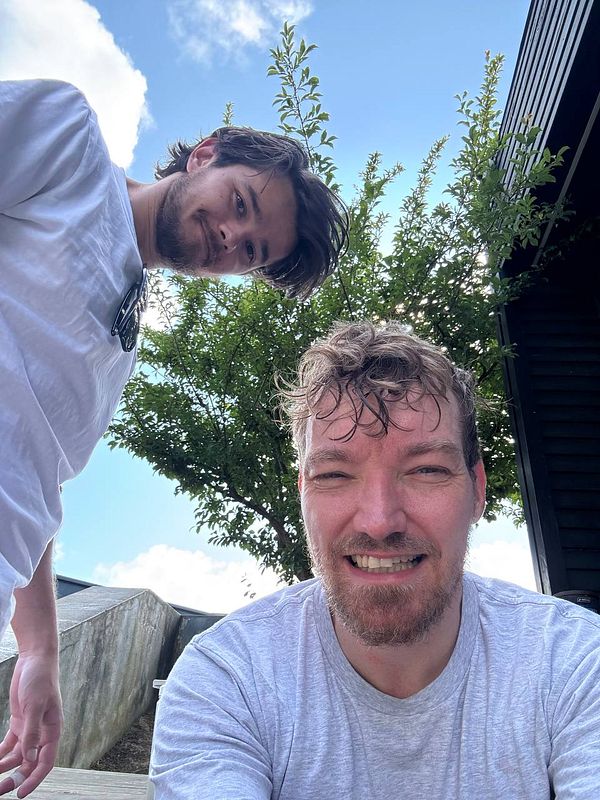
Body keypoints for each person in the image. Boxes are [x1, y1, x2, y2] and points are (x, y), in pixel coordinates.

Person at [0, 78, 348, 797]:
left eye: (249, 251)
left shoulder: (120, 350)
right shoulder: (69, 139)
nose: (229, 238)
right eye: (241, 204)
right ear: (206, 155)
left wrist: (39, 650)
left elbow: (33, 482)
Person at [150, 320, 600, 799]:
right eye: (335, 474)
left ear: (478, 490)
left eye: (426, 469)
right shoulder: (225, 680)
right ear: (303, 494)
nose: (380, 521)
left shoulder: (575, 662)